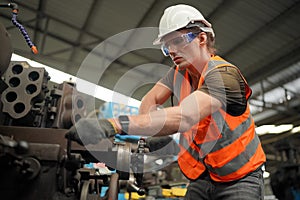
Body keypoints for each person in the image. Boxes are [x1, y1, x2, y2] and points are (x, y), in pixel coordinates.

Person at [66, 4, 266, 200]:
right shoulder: (179, 72)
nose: (171, 50)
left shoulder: (224, 75)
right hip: (202, 176)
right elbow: (150, 98)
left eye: (177, 41)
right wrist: (148, 132)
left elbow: (184, 117)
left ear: (202, 38)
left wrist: (114, 124)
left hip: (240, 177)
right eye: (167, 45)